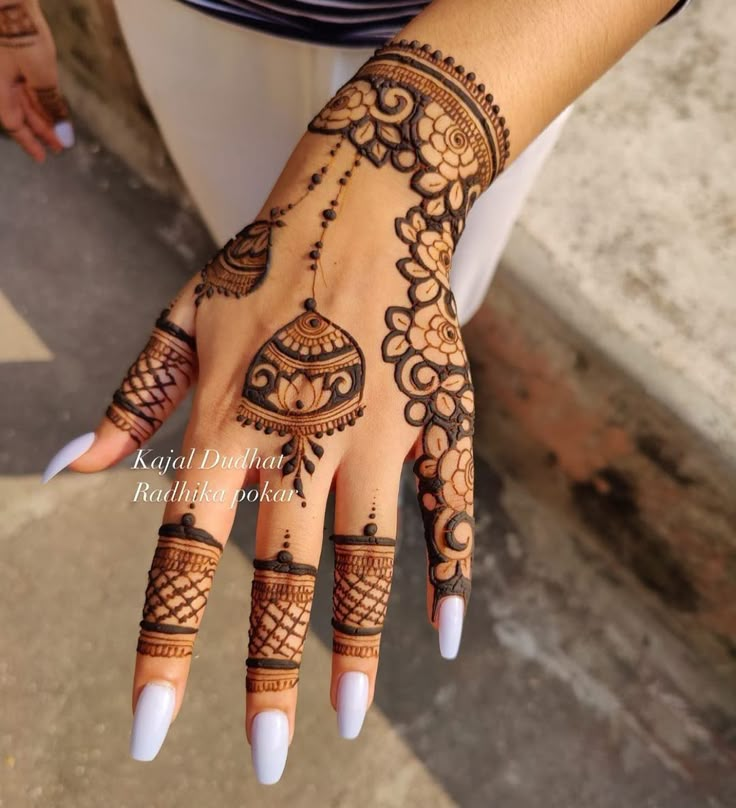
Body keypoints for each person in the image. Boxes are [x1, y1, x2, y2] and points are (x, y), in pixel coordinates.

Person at [15, 0, 690, 787]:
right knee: (238, 225)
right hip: (192, 24)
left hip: (499, 43)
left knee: (439, 299)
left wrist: (423, 135)